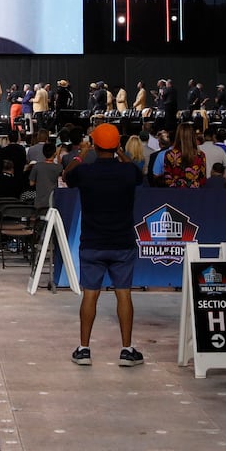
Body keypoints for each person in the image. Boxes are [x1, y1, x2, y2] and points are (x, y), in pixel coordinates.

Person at [61, 123, 145, 367]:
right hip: (122, 242)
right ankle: (127, 350)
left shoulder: (86, 172)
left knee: (90, 294)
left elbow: (67, 175)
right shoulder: (127, 172)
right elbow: (137, 173)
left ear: (94, 145)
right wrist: (121, 152)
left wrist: (81, 153)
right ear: (117, 145)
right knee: (124, 294)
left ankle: (84, 349)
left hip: (92, 242)